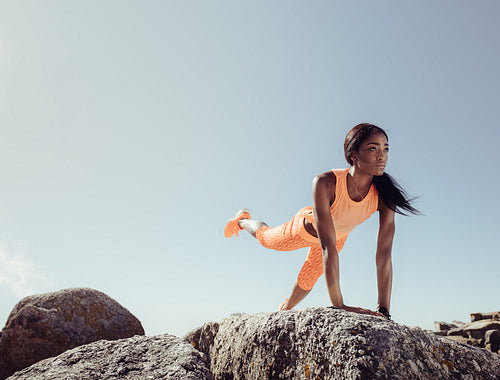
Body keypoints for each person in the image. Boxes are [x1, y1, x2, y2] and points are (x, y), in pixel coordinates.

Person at [224, 123, 419, 319]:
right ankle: (242, 220)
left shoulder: (386, 196)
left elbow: (384, 253)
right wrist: (339, 305)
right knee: (266, 239)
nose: (381, 156)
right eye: (372, 148)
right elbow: (328, 247)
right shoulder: (326, 182)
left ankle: (283, 312)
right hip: (304, 229)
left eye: (386, 149)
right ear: (353, 154)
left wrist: (383, 310)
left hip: (337, 238)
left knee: (308, 277)